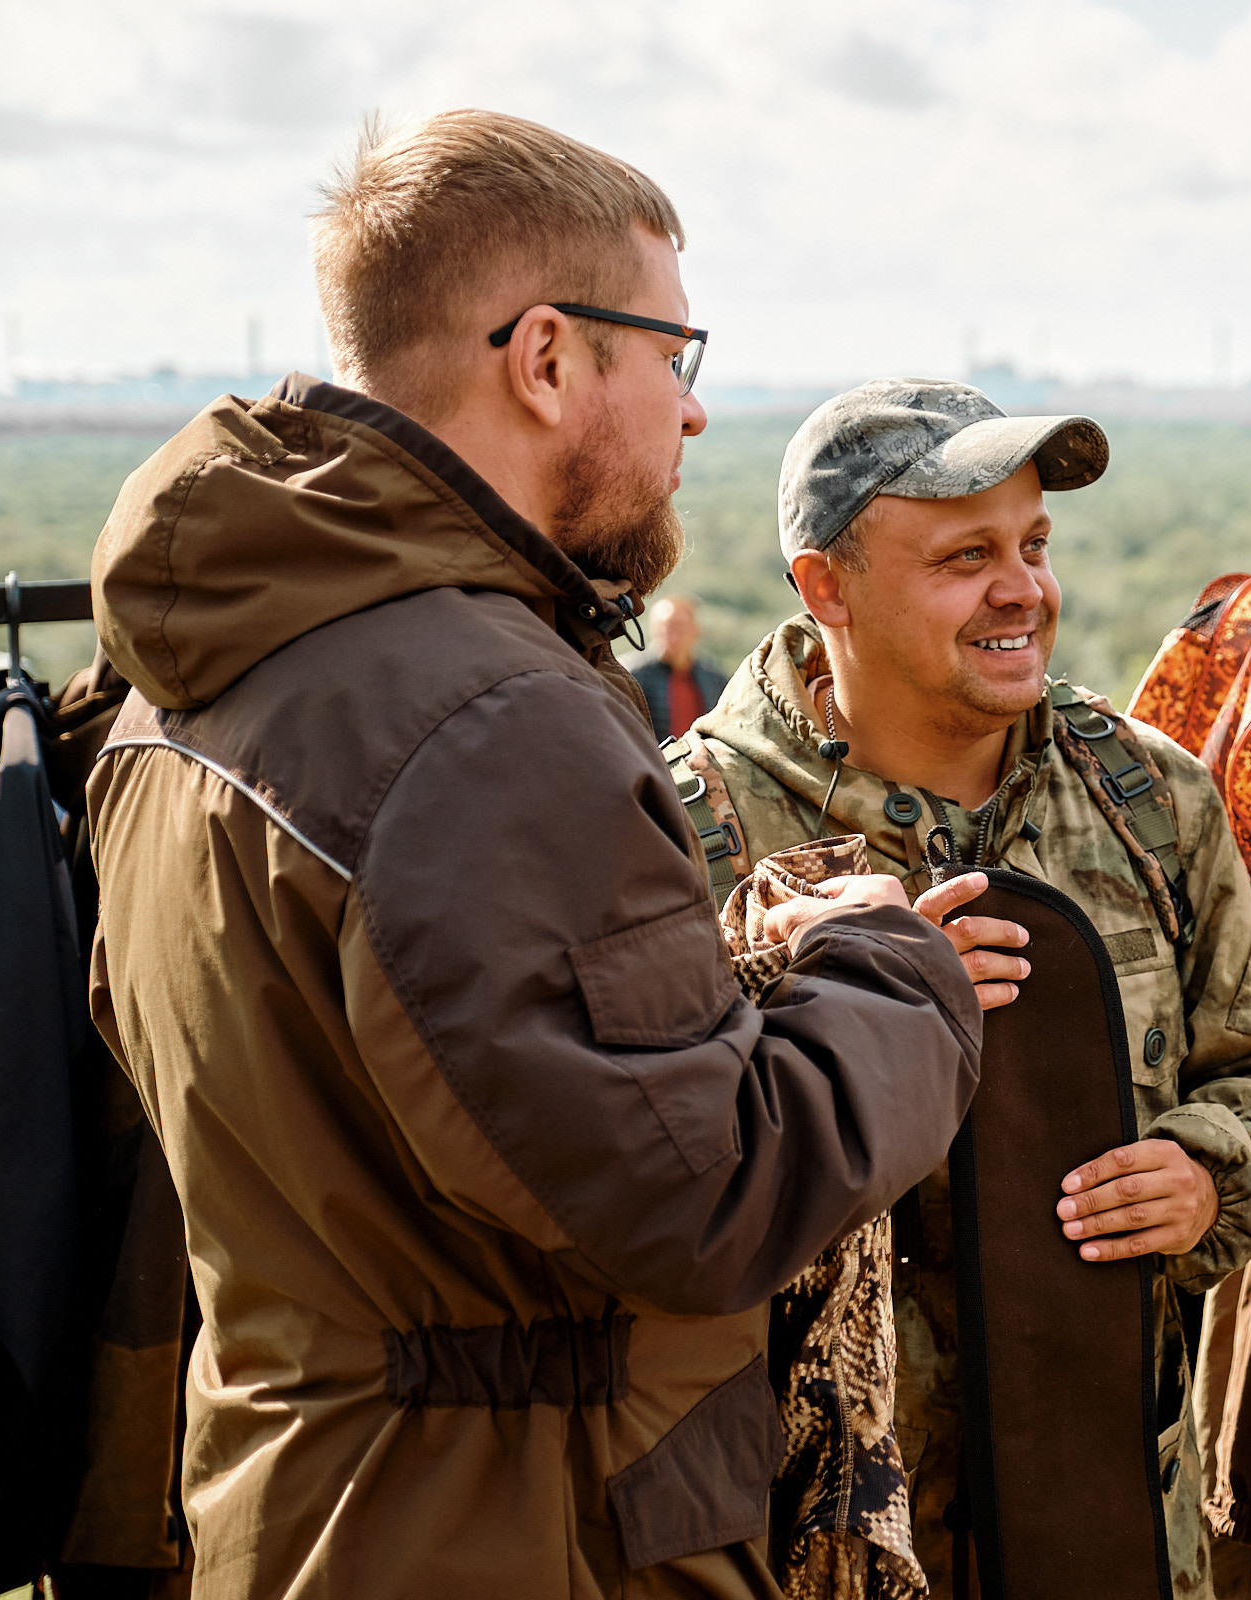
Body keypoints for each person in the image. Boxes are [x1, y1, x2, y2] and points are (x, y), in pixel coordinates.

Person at [82, 112, 987, 1600]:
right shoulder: (493, 724)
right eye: (673, 357)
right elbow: (705, 1199)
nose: (695, 416)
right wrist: (888, 964)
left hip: (297, 1514)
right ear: (551, 357)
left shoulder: (182, 691)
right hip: (535, 1537)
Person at [679, 378, 1251, 1596]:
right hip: (809, 1536)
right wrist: (807, 996)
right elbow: (627, 1161)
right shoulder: (691, 832)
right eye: (964, 554)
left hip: (1108, 1513)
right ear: (827, 588)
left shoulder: (1150, 800)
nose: (1021, 589)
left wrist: (1208, 1171)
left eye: (1033, 545)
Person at [633, 592, 728, 738]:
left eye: (678, 626)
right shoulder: (631, 675)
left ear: (695, 630)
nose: (669, 633)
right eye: (663, 626)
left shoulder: (715, 680)